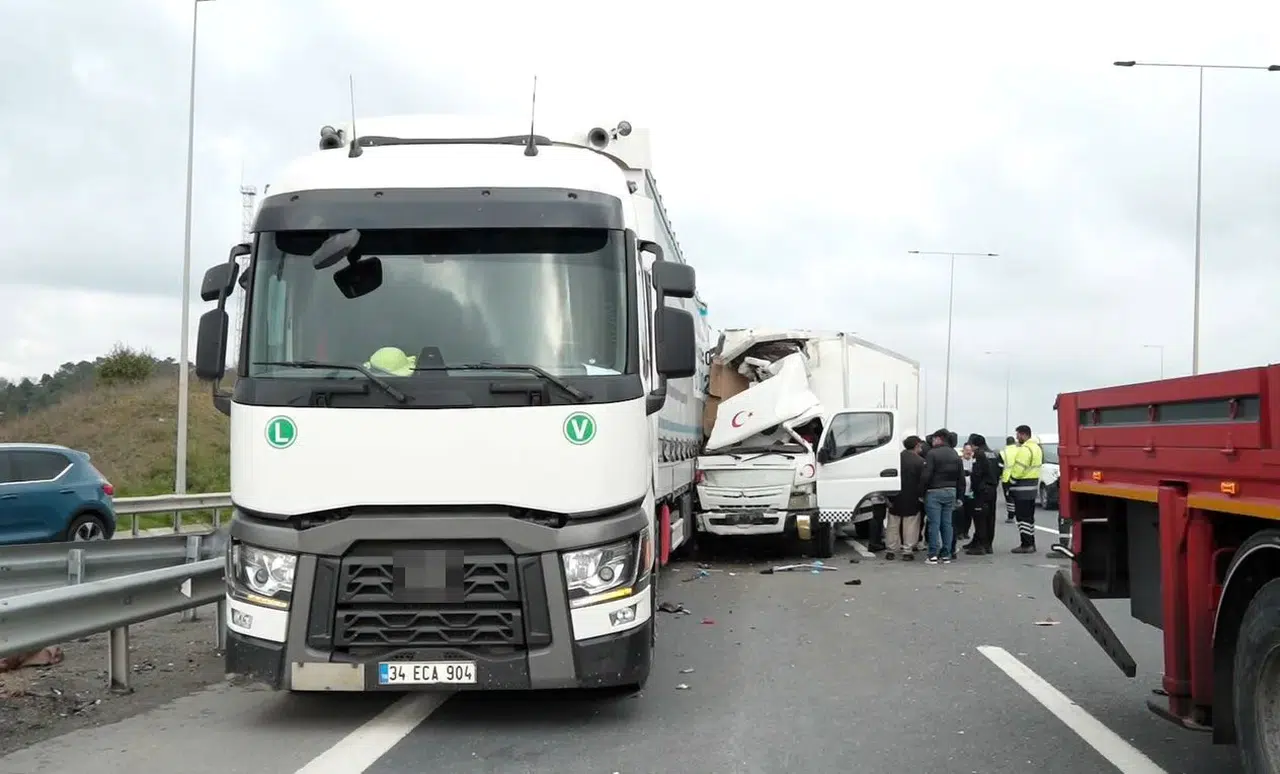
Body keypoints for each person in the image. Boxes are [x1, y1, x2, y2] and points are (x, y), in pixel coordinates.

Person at [920, 428, 962, 564]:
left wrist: (921, 492)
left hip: (934, 491)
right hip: (951, 491)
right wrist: (959, 497)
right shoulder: (955, 454)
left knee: (934, 524)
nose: (932, 441)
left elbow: (926, 475)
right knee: (947, 524)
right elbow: (960, 478)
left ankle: (933, 554)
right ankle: (946, 554)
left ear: (939, 439)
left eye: (933, 439)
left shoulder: (932, 454)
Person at [885, 436, 924, 561]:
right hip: (912, 497)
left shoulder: (895, 459)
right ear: (916, 445)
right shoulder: (919, 462)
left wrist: (887, 496)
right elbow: (922, 481)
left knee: (893, 524)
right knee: (910, 525)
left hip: (894, 496)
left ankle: (891, 550)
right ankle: (907, 550)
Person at [1006, 424, 1043, 553]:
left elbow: (1018, 469)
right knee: (1029, 517)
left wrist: (1010, 482)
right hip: (1032, 488)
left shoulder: (1025, 450)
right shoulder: (1037, 448)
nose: (1017, 438)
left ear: (1023, 434)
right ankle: (1031, 543)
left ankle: (1026, 544)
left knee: (1022, 518)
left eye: (1018, 435)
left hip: (1022, 488)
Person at [963, 433, 1002, 555]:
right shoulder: (995, 453)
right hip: (992, 488)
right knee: (990, 517)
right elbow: (1000, 469)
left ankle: (980, 546)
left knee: (980, 518)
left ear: (974, 444)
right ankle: (988, 544)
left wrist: (972, 487)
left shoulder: (979, 454)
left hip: (982, 490)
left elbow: (977, 473)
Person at [954, 444, 975, 544]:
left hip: (971, 491)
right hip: (961, 491)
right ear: (963, 451)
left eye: (970, 450)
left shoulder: (974, 461)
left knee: (969, 513)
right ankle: (959, 532)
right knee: (960, 513)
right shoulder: (959, 461)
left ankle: (966, 531)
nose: (968, 452)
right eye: (967, 450)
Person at [1000, 435, 1018, 523]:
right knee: (1018, 496)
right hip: (1019, 477)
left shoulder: (1003, 452)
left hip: (1007, 478)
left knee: (1009, 497)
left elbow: (1000, 466)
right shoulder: (1020, 450)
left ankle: (1011, 516)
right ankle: (1019, 513)